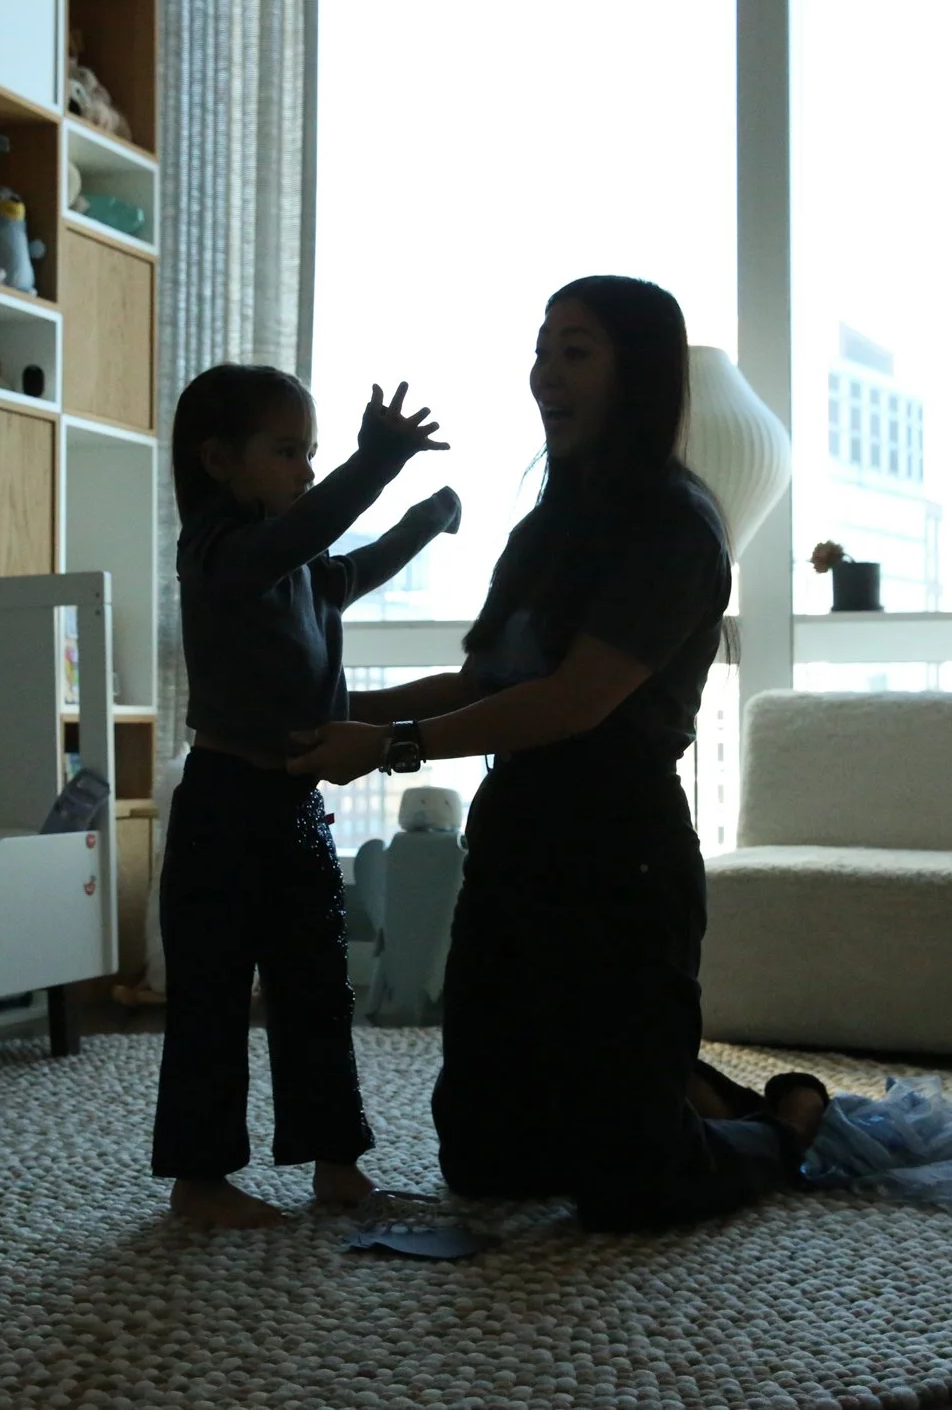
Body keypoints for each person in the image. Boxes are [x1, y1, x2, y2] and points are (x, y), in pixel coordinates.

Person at [289, 276, 829, 1231]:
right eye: (542, 351)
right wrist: (333, 708)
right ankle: (667, 1083)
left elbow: (575, 700)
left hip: (623, 858)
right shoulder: (547, 522)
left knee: (633, 1190)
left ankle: (781, 1124)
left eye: (575, 351)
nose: (545, 374)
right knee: (488, 1164)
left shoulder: (677, 524)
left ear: (642, 372)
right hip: (515, 848)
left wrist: (387, 748)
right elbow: (483, 682)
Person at [154, 363, 462, 1229]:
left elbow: (350, 566)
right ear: (218, 459)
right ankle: (200, 1178)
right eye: (290, 452)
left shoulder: (295, 567)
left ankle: (337, 1162)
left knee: (316, 987)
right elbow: (313, 529)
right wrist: (377, 464)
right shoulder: (220, 553)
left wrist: (427, 520)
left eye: (312, 453)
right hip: (221, 804)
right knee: (213, 996)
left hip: (291, 802)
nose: (305, 471)